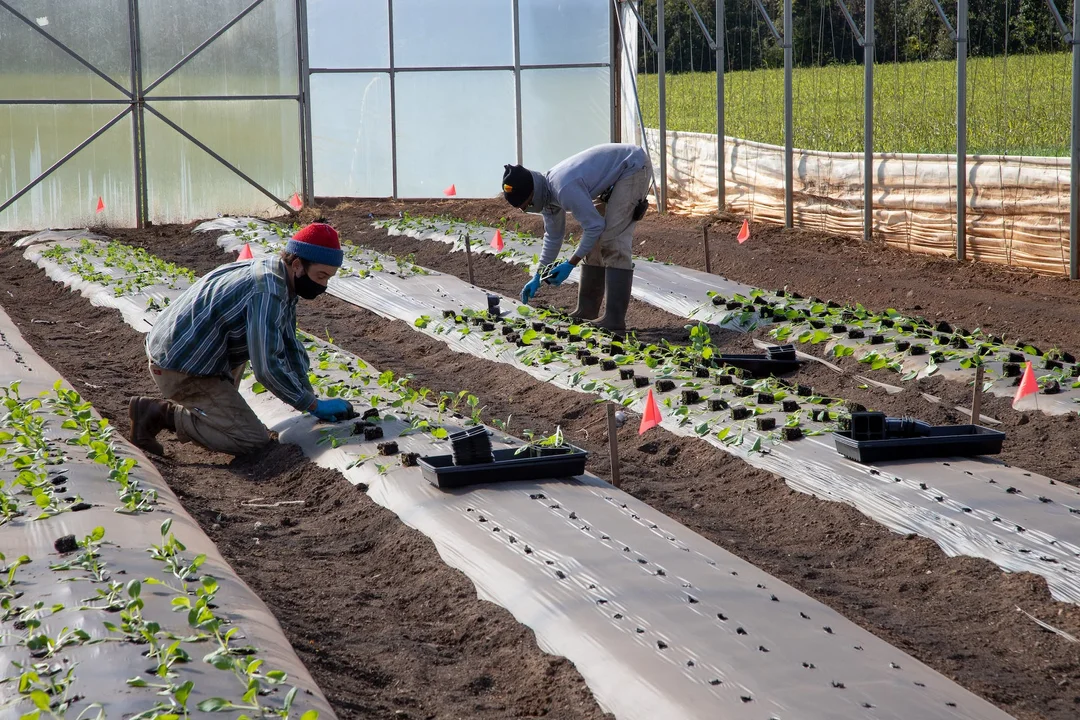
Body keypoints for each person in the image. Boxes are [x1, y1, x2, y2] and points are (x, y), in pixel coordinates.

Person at [127, 222, 354, 457]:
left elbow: (287, 344)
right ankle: (159, 414)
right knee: (252, 440)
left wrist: (309, 396)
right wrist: (312, 405)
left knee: (238, 404)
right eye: (321, 276)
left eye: (329, 278)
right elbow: (266, 367)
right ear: (297, 265)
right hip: (181, 363)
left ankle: (212, 412)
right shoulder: (267, 291)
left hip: (199, 352)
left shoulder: (278, 274)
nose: (323, 285)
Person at [501, 143, 652, 333]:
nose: (528, 210)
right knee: (595, 242)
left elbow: (594, 225)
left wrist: (570, 263)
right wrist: (538, 275)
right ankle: (586, 310)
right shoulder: (546, 196)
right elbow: (553, 237)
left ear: (532, 193)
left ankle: (614, 319)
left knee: (613, 240)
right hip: (618, 172)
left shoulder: (562, 188)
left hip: (633, 166)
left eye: (527, 204)